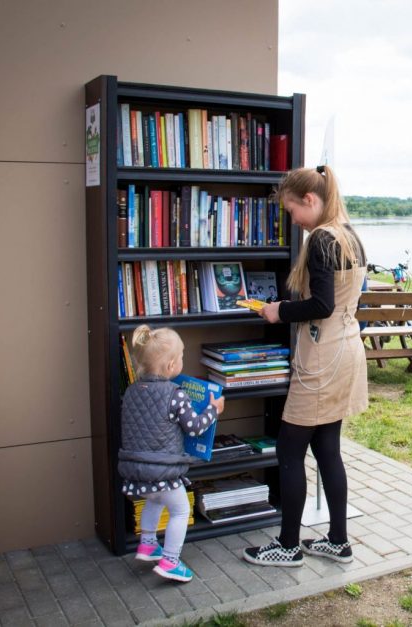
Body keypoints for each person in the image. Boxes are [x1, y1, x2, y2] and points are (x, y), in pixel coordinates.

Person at [243, 165, 368, 567]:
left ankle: (288, 546)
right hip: (347, 349)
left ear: (310, 200)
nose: (293, 219)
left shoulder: (321, 239)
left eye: (292, 209)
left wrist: (277, 311)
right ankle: (338, 540)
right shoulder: (350, 234)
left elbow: (322, 305)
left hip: (322, 356)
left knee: (289, 449)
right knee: (328, 447)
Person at [118, 324, 225, 582]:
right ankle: (170, 561)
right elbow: (194, 427)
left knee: (154, 500)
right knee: (179, 510)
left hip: (136, 470)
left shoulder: (132, 391)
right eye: (181, 357)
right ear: (170, 367)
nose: (182, 362)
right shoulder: (174, 395)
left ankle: (147, 544)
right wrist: (214, 410)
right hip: (163, 470)